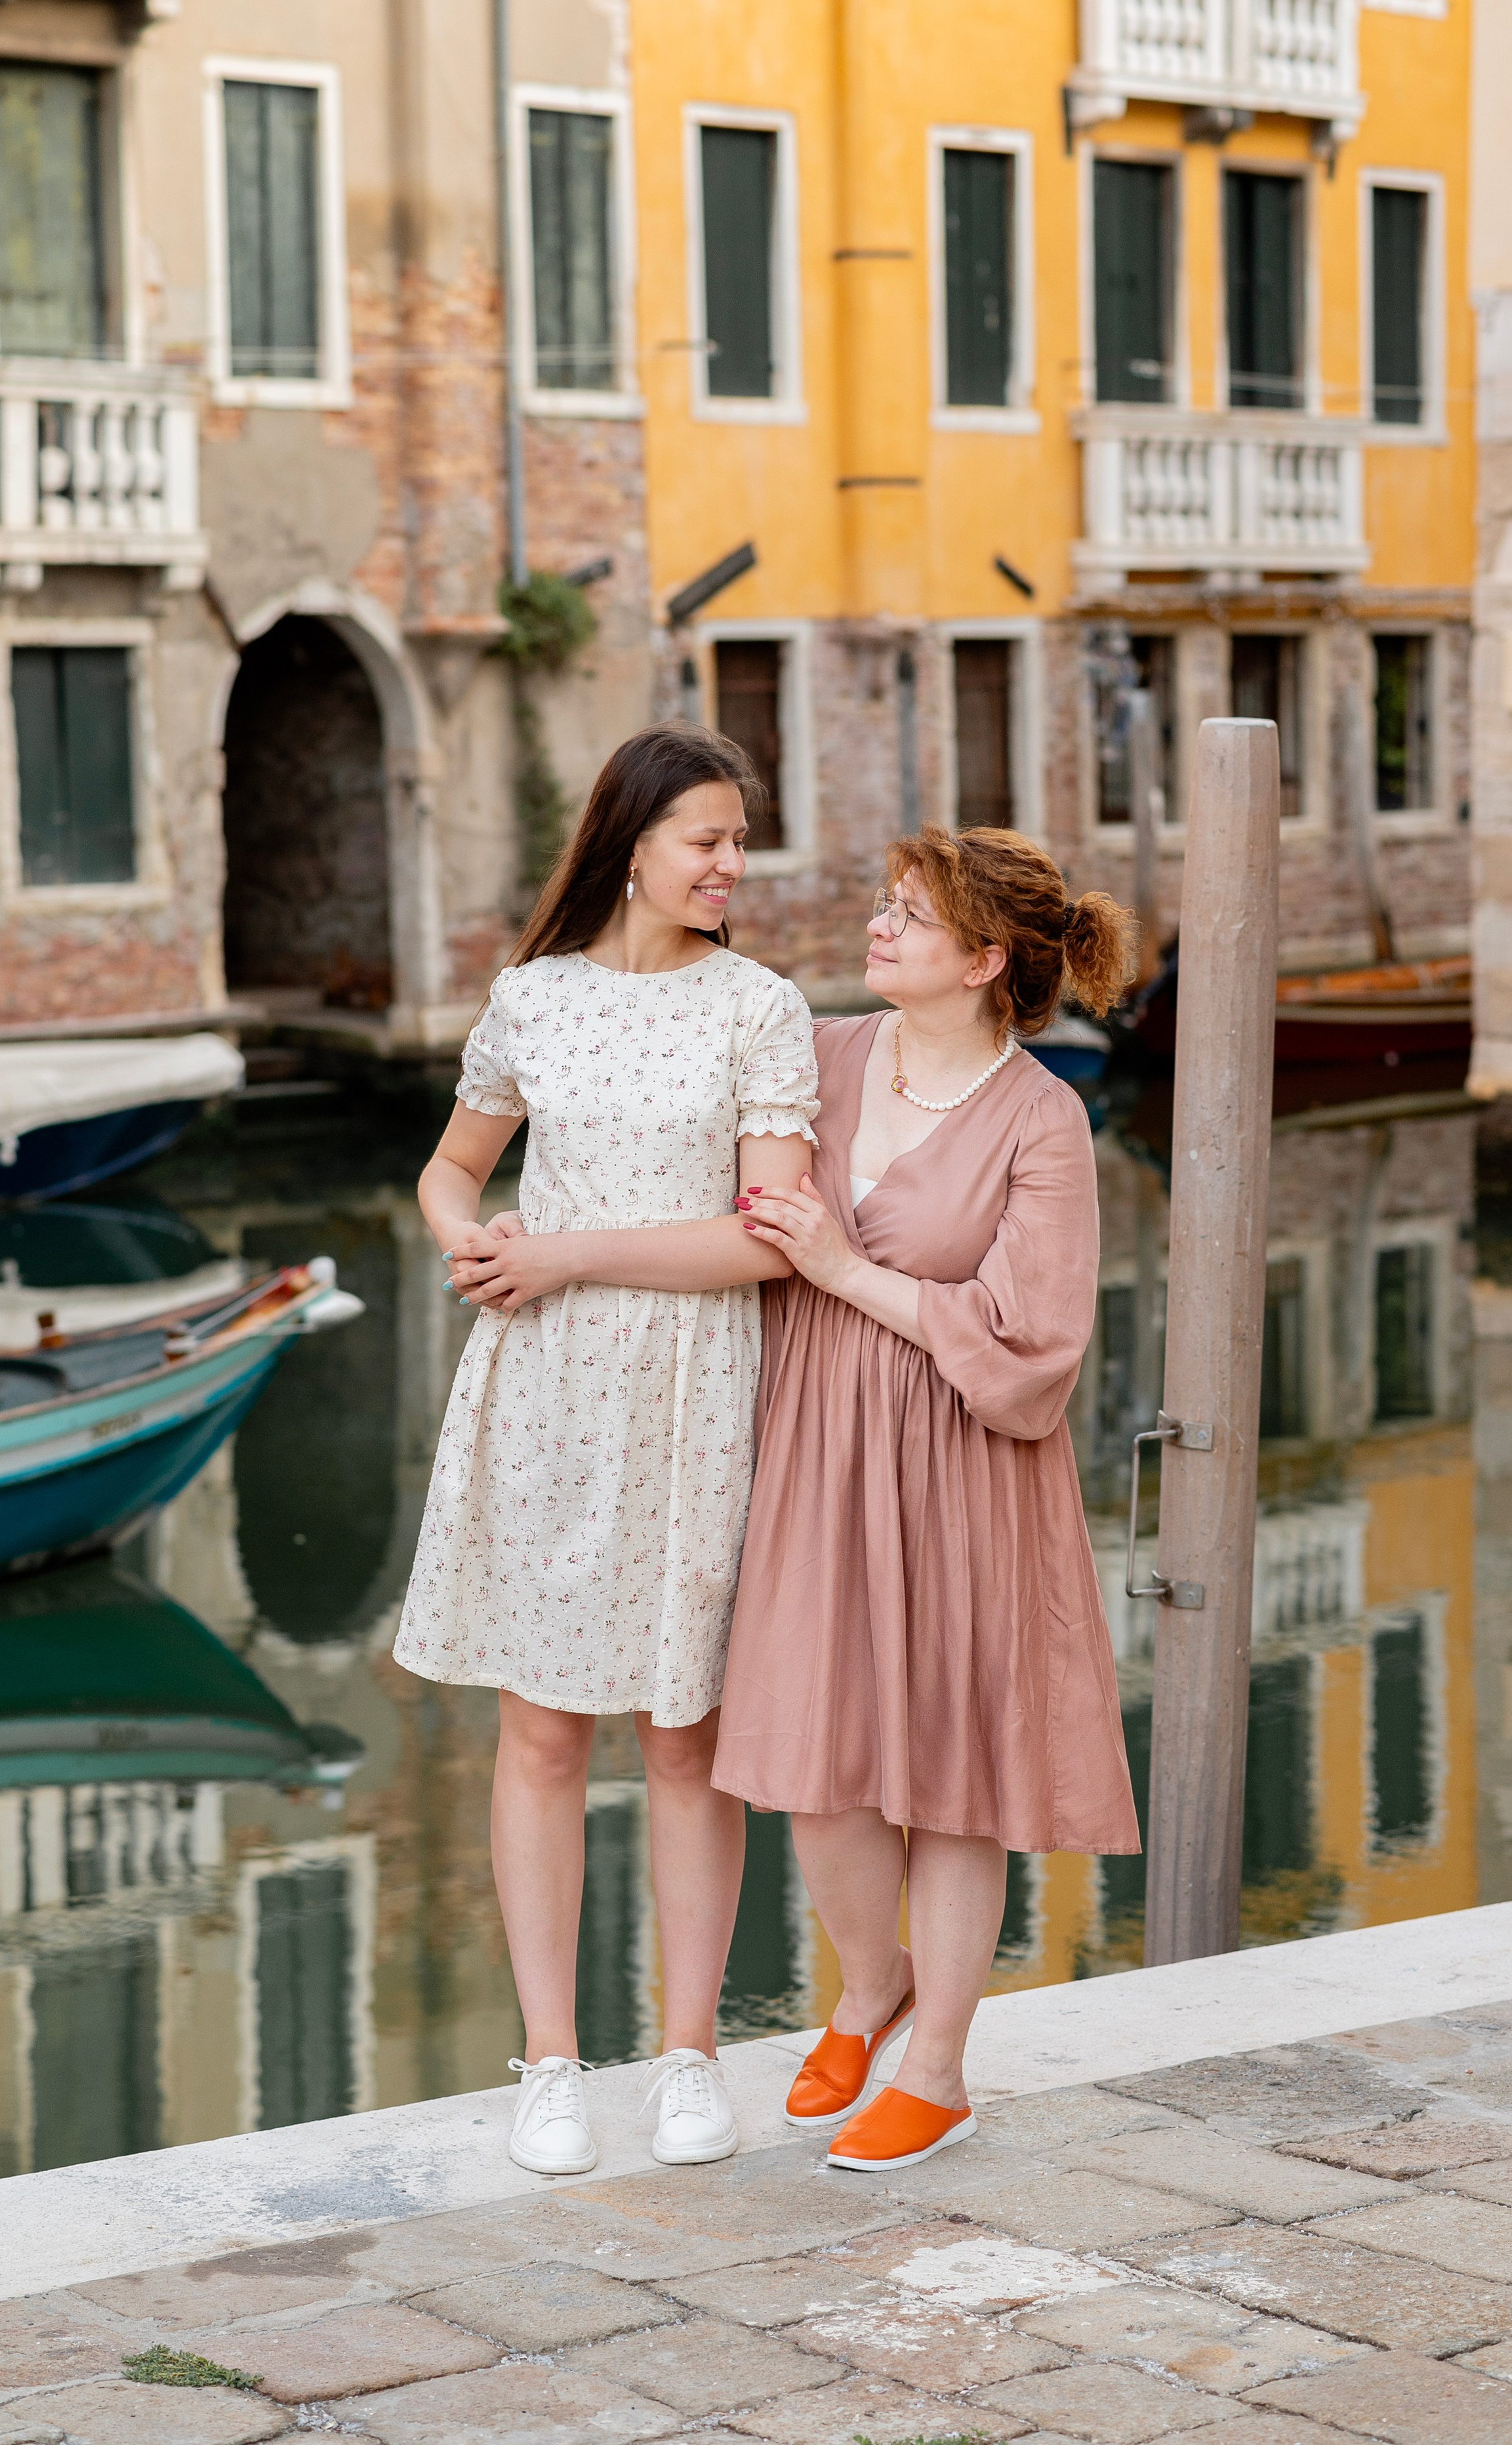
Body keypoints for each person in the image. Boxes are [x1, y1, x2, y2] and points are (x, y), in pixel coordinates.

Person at [394, 724, 818, 2178]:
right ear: (628, 841)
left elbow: (765, 1240)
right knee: (541, 1731)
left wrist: (566, 1248)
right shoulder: (532, 1000)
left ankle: (690, 2053)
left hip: (699, 1384)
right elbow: (449, 1173)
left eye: (737, 840)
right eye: (705, 836)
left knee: (688, 1734)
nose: (728, 863)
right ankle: (552, 2062)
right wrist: (476, 1248)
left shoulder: (759, 1008)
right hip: (547, 1383)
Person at [715, 823, 1139, 2171]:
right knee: (815, 1757)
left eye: (908, 915)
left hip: (963, 1462)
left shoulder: (1042, 1119)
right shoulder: (823, 1055)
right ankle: (867, 1983)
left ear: (982, 959)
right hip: (815, 1440)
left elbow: (1035, 1348)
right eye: (885, 906)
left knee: (951, 1778)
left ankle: (941, 2068)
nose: (876, 928)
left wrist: (841, 1271)